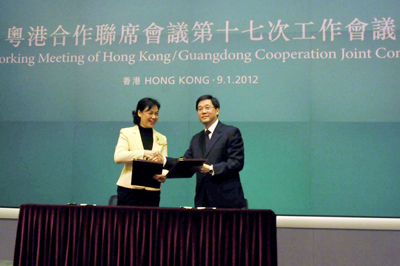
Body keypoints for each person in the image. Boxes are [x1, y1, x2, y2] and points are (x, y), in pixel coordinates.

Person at [166, 95, 246, 208]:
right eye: (200, 109)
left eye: (207, 107)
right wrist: (164, 161)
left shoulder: (230, 132)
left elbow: (236, 162)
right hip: (202, 200)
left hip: (227, 200)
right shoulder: (196, 139)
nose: (203, 111)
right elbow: (185, 162)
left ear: (217, 110)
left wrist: (211, 169)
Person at [114, 97, 167, 207]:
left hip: (152, 191)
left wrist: (164, 175)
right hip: (129, 189)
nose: (154, 117)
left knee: (150, 224)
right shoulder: (126, 133)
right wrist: (143, 153)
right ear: (139, 113)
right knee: (127, 223)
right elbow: (118, 157)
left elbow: (164, 163)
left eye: (156, 113)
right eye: (150, 113)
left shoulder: (162, 138)